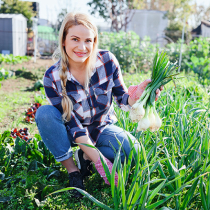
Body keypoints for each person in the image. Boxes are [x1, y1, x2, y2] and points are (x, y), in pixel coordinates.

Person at [35, 12, 162, 198]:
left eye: (88, 40)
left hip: (101, 127)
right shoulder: (52, 77)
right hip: (69, 132)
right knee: (45, 114)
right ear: (64, 40)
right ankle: (74, 172)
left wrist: (137, 97)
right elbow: (73, 125)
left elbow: (122, 99)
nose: (82, 47)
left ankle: (84, 158)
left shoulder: (107, 61)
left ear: (94, 41)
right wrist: (101, 163)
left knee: (132, 151)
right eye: (75, 39)